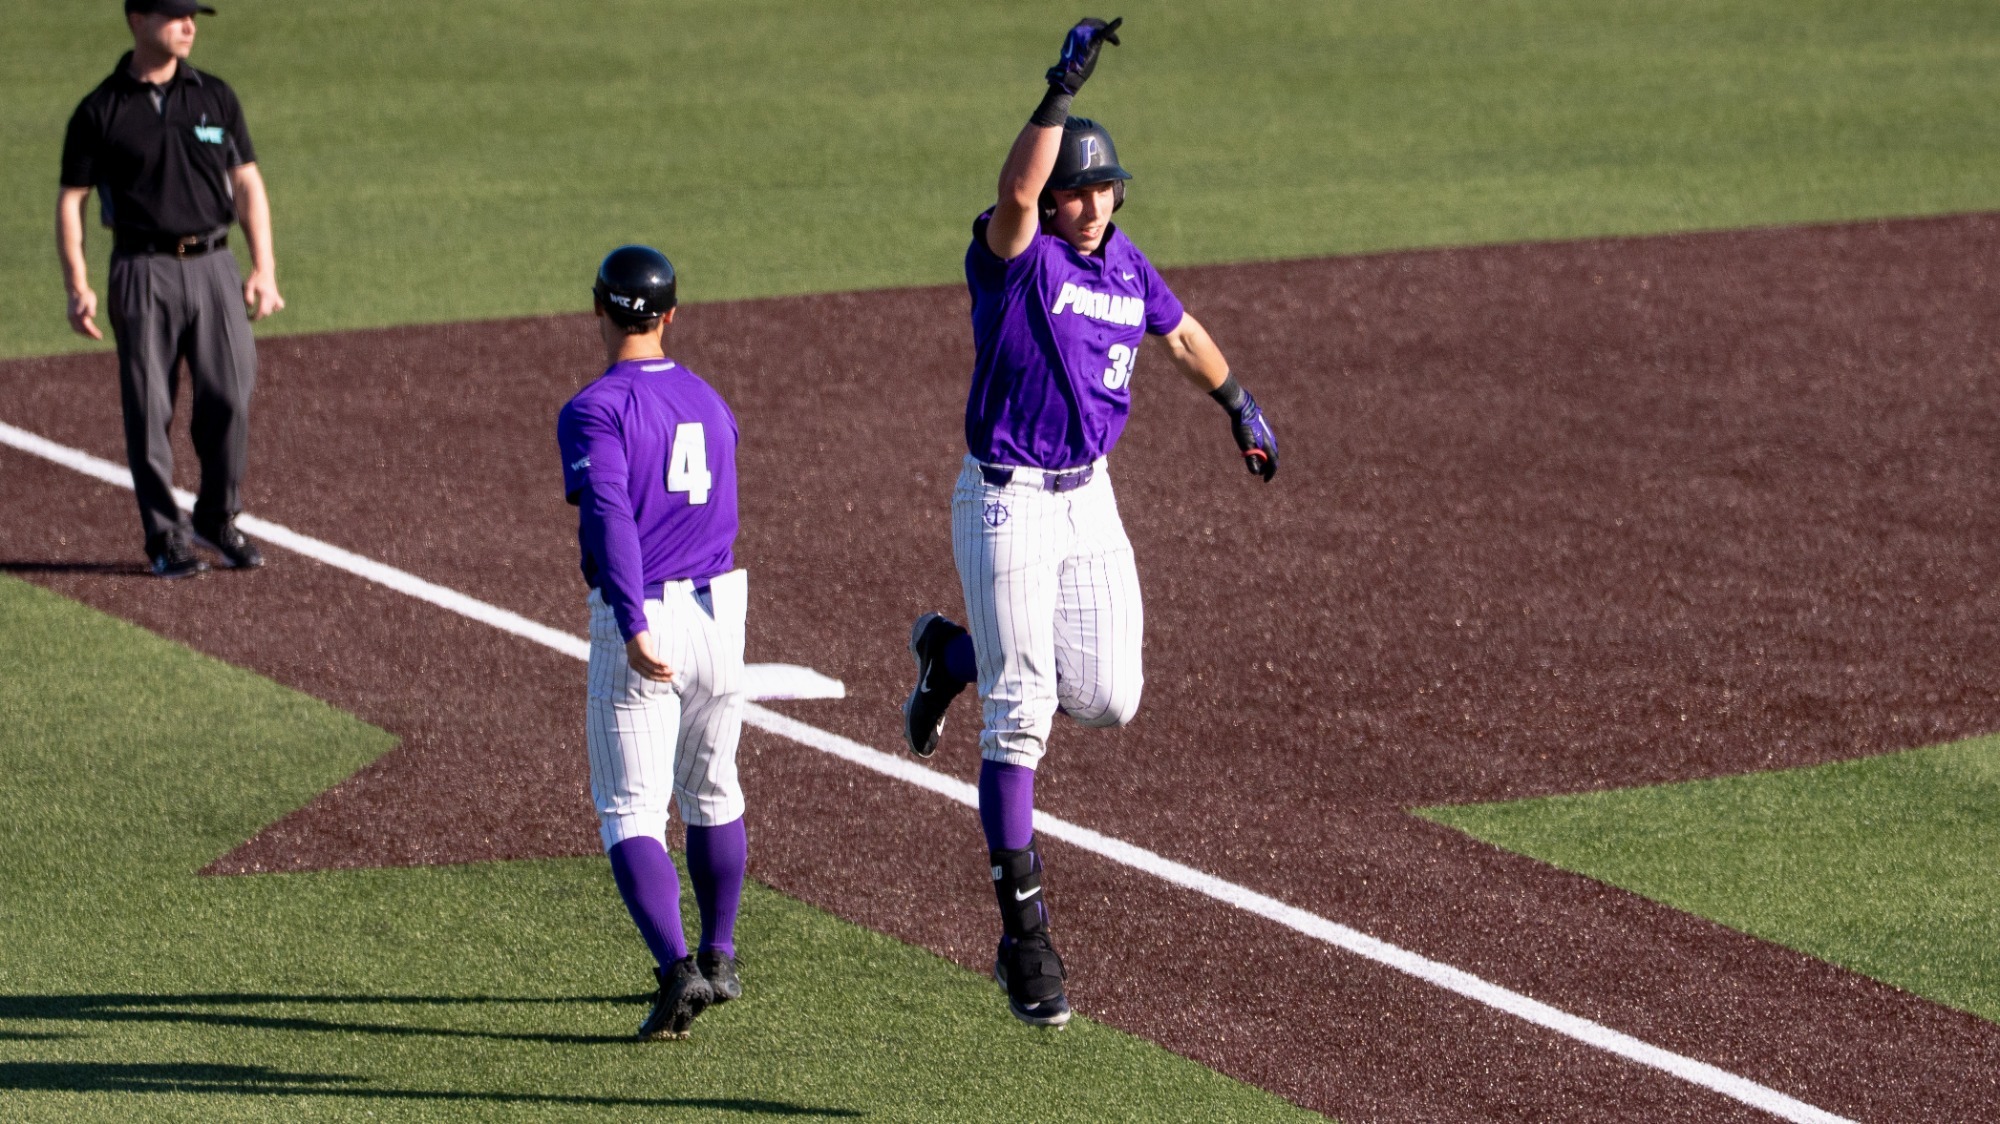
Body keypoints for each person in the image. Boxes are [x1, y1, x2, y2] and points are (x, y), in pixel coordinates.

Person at [900, 17, 1279, 1029]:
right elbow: (1016, 194)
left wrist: (1236, 402)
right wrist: (1054, 93)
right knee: (1022, 710)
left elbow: (1181, 331)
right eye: (1076, 187)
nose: (1086, 201)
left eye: (1100, 187)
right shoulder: (1016, 261)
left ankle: (954, 649)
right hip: (1006, 498)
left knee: (1109, 695)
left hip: (1088, 495)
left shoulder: (1122, 264)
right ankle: (1022, 939)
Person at [558, 246, 750, 1041]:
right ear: (670, 316)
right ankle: (721, 953)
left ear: (598, 310)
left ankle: (677, 974)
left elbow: (609, 515)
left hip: (651, 617)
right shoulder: (709, 400)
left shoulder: (595, 407)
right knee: (714, 791)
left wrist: (634, 622)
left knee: (632, 808)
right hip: (723, 608)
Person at [57, 0, 283, 579]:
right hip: (141, 269)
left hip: (214, 266)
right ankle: (165, 537)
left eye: (194, 16)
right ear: (137, 19)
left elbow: (248, 182)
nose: (189, 26)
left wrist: (264, 267)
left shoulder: (215, 96)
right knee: (149, 407)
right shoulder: (99, 110)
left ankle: (216, 517)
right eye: (176, 14)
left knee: (230, 396)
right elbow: (72, 200)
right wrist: (77, 283)